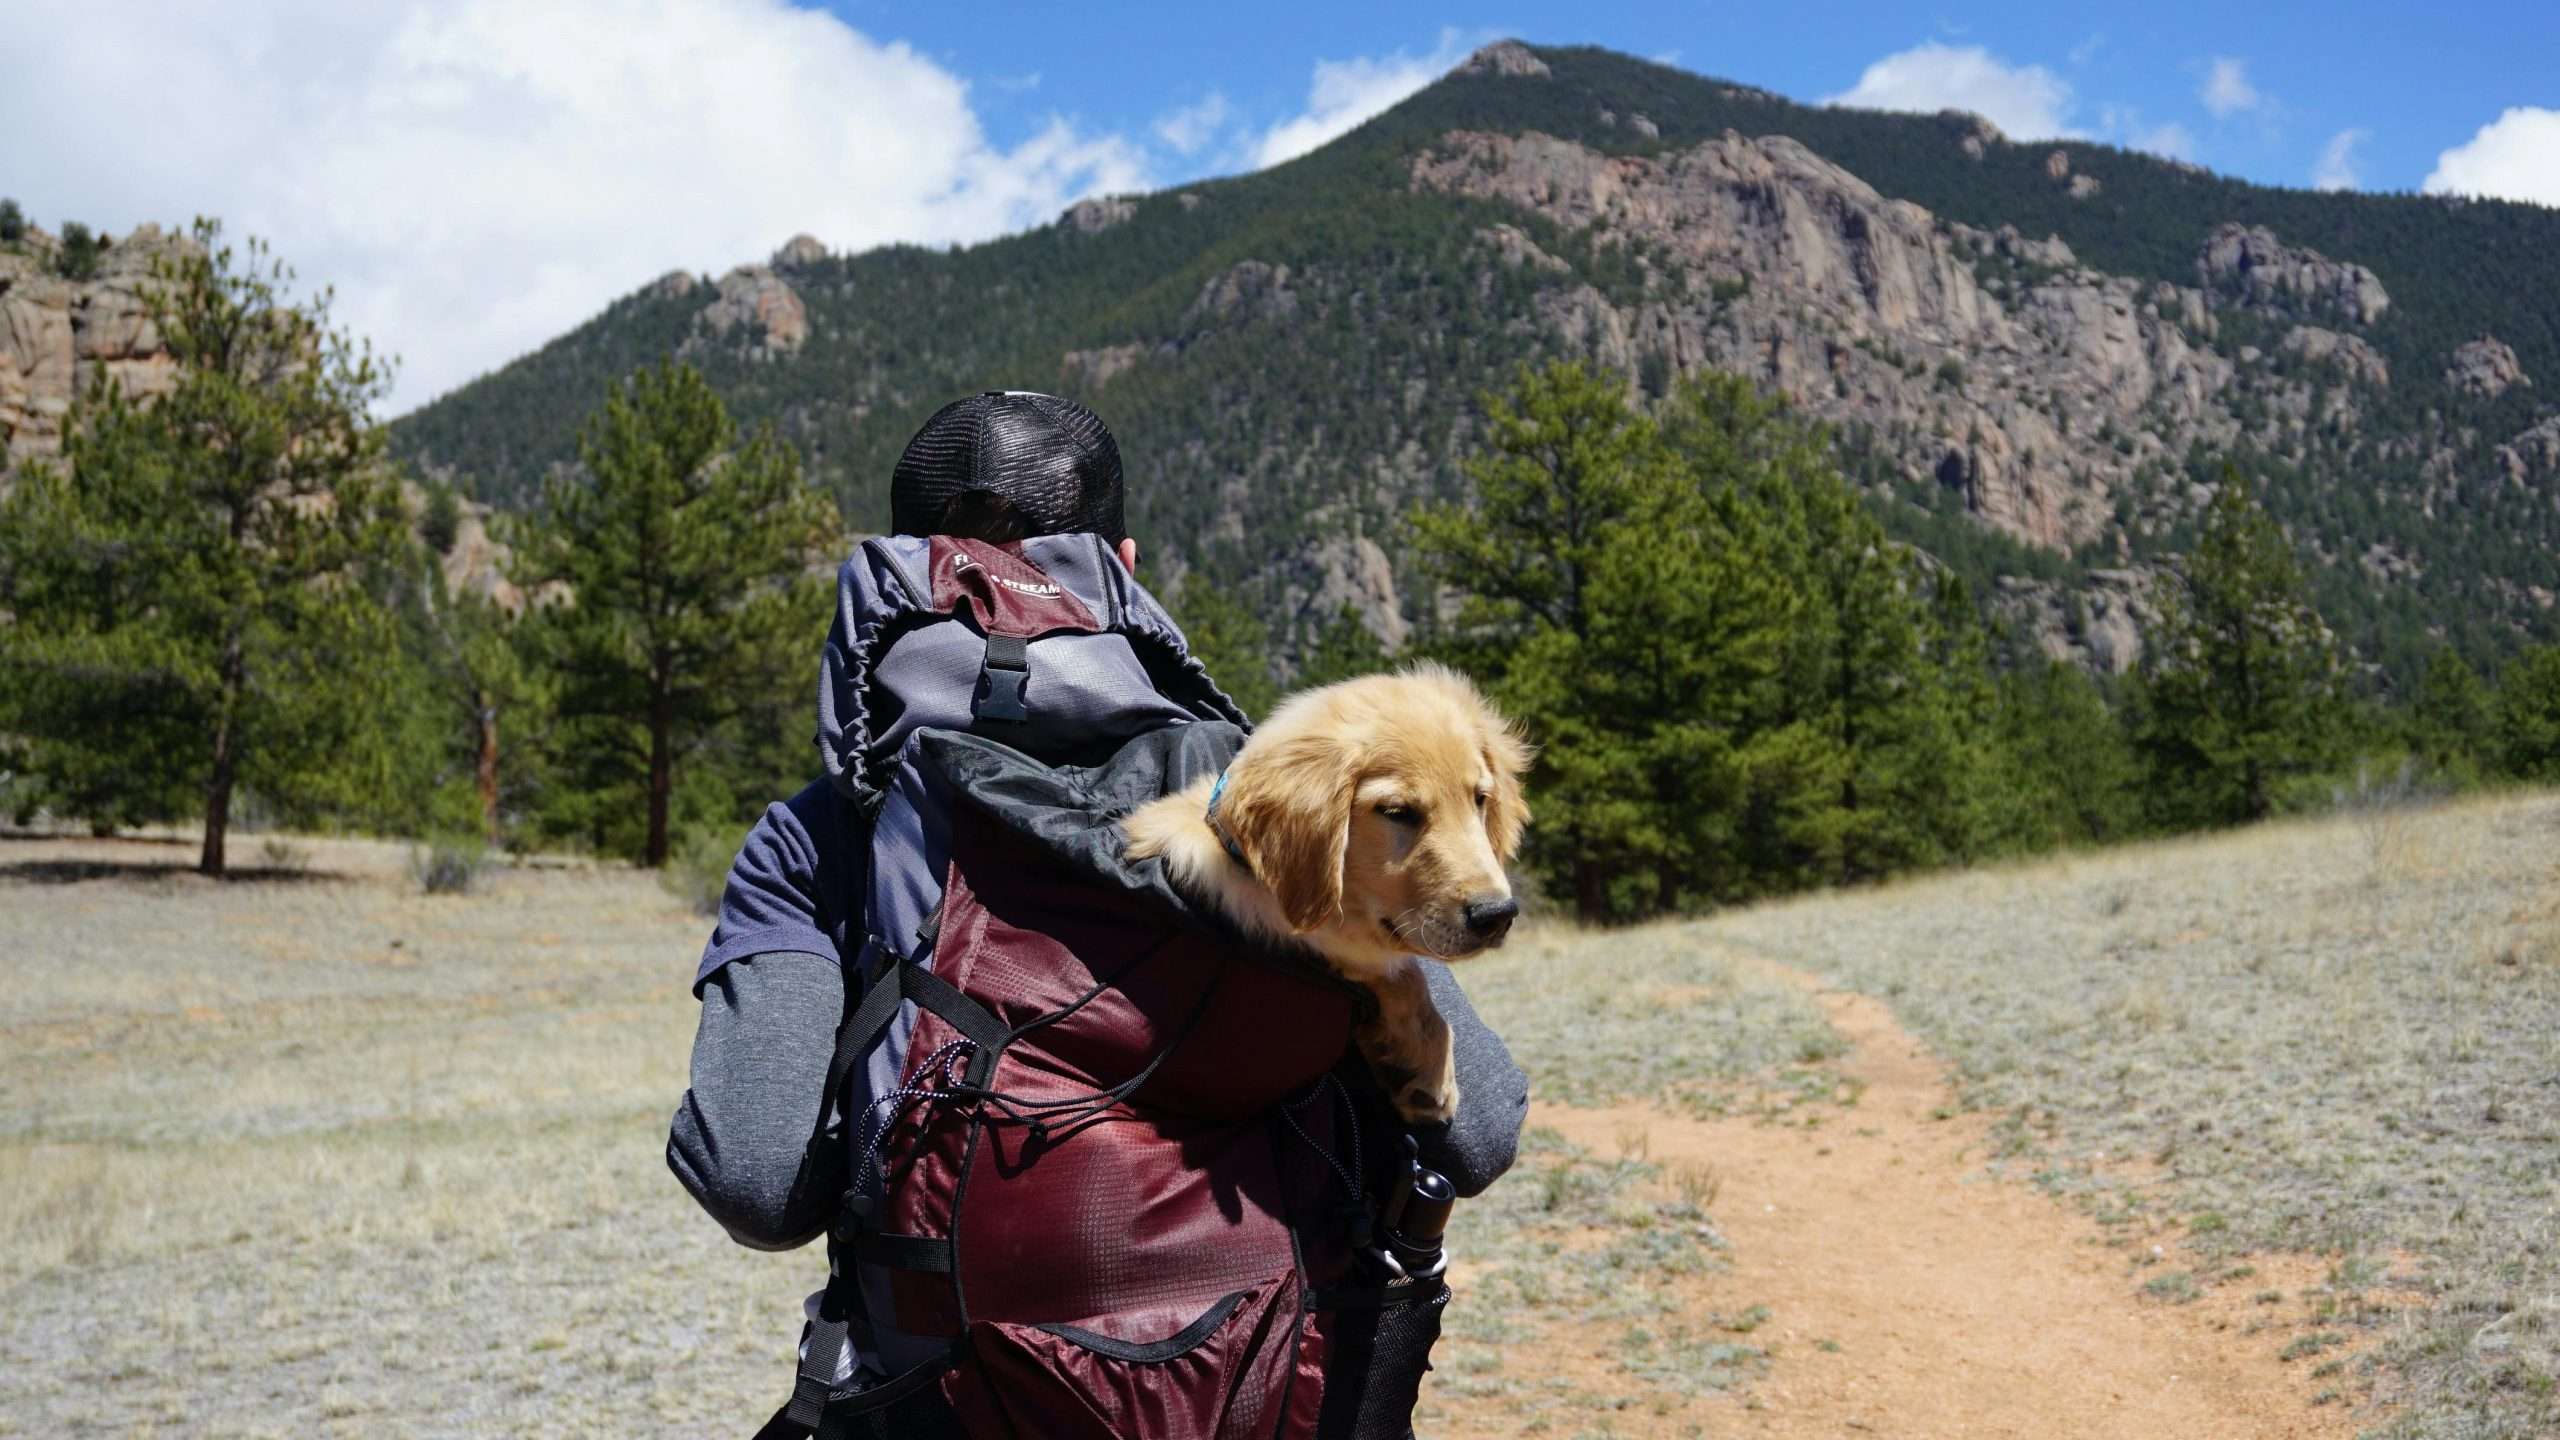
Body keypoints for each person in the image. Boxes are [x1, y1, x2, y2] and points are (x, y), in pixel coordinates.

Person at [667, 391, 1528, 1436]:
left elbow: (756, 1185)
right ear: (1122, 562)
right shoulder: (1263, 800)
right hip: (1266, 1388)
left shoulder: (822, 834)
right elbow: (1474, 1134)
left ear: (907, 570)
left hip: (959, 1397)